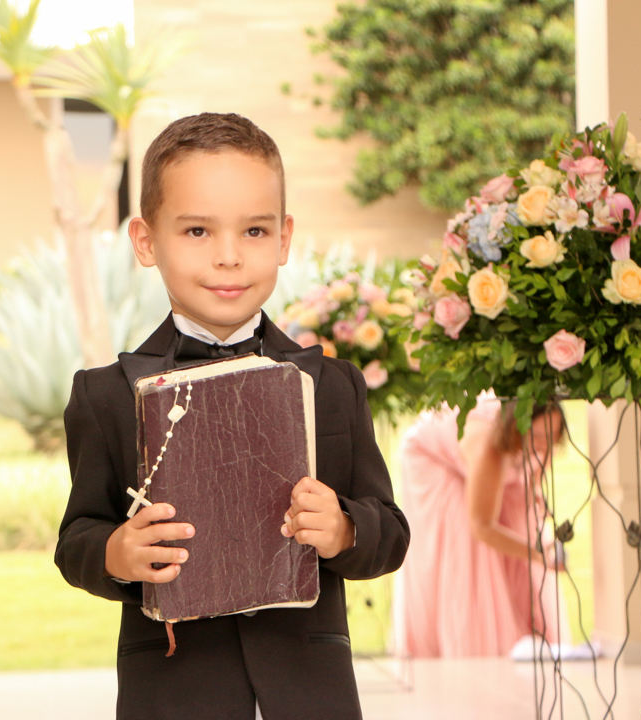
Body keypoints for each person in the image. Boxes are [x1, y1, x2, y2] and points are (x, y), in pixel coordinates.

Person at [54, 113, 410, 720]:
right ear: (146, 241)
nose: (228, 257)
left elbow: (390, 532)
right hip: (173, 693)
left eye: (252, 231)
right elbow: (77, 539)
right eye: (196, 230)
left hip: (309, 693)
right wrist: (118, 553)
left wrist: (346, 529)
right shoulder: (106, 395)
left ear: (283, 238)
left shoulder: (333, 386)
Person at [399, 396, 567, 658]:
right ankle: (468, 645)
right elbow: (482, 526)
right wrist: (538, 554)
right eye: (536, 435)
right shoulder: (489, 449)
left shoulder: (540, 443)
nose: (544, 444)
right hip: (434, 459)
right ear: (518, 427)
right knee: (467, 541)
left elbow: (531, 476)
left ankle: (525, 626)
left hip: (494, 454)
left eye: (551, 435)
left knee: (520, 518)